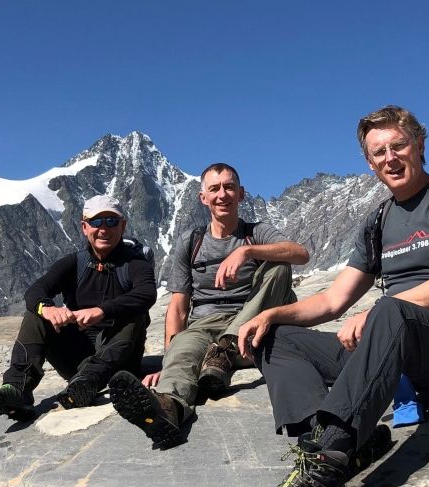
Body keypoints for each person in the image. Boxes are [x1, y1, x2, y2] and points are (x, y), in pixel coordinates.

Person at [237, 105, 429, 487]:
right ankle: (330, 449)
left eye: (399, 145)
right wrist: (270, 314)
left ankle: (326, 467)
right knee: (277, 338)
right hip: (390, 350)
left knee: (391, 310)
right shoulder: (378, 221)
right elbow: (331, 301)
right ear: (369, 161)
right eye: (379, 152)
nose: (390, 158)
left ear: (420, 145)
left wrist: (382, 309)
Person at [108, 162, 310, 448]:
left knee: (280, 267)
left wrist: (246, 250)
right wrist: (168, 362)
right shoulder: (190, 242)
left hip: (249, 328)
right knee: (184, 352)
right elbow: (178, 306)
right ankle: (168, 410)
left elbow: (300, 254)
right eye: (214, 189)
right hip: (203, 326)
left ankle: (226, 349)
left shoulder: (257, 232)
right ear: (203, 198)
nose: (222, 194)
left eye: (229, 187)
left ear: (241, 194)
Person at [0, 194, 157, 421]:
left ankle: (88, 384)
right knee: (36, 315)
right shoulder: (74, 263)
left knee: (134, 316)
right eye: (96, 222)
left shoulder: (136, 264)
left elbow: (147, 294)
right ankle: (17, 390)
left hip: (118, 361)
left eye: (111, 221)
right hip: (77, 360)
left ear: (123, 226)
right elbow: (35, 291)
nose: (103, 229)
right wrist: (49, 309)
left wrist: (102, 311)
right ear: (84, 227)